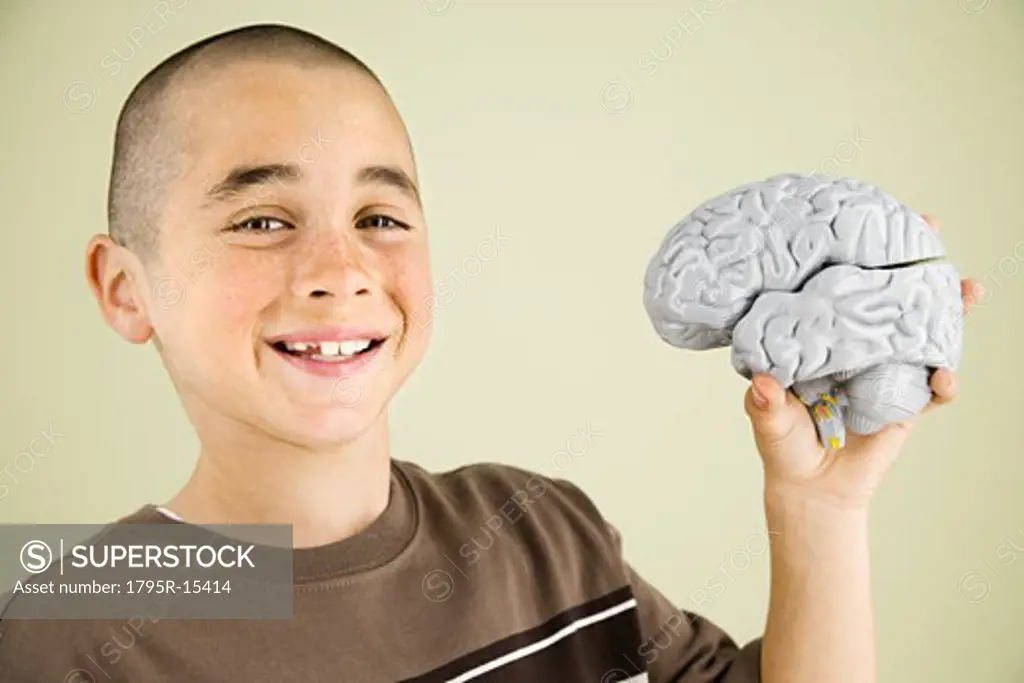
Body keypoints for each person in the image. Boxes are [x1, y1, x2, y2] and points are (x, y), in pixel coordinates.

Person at [0, 22, 979, 682]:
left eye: (380, 215)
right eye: (261, 218)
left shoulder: (542, 533)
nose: (339, 267)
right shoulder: (70, 616)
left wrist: (818, 510)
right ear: (124, 288)